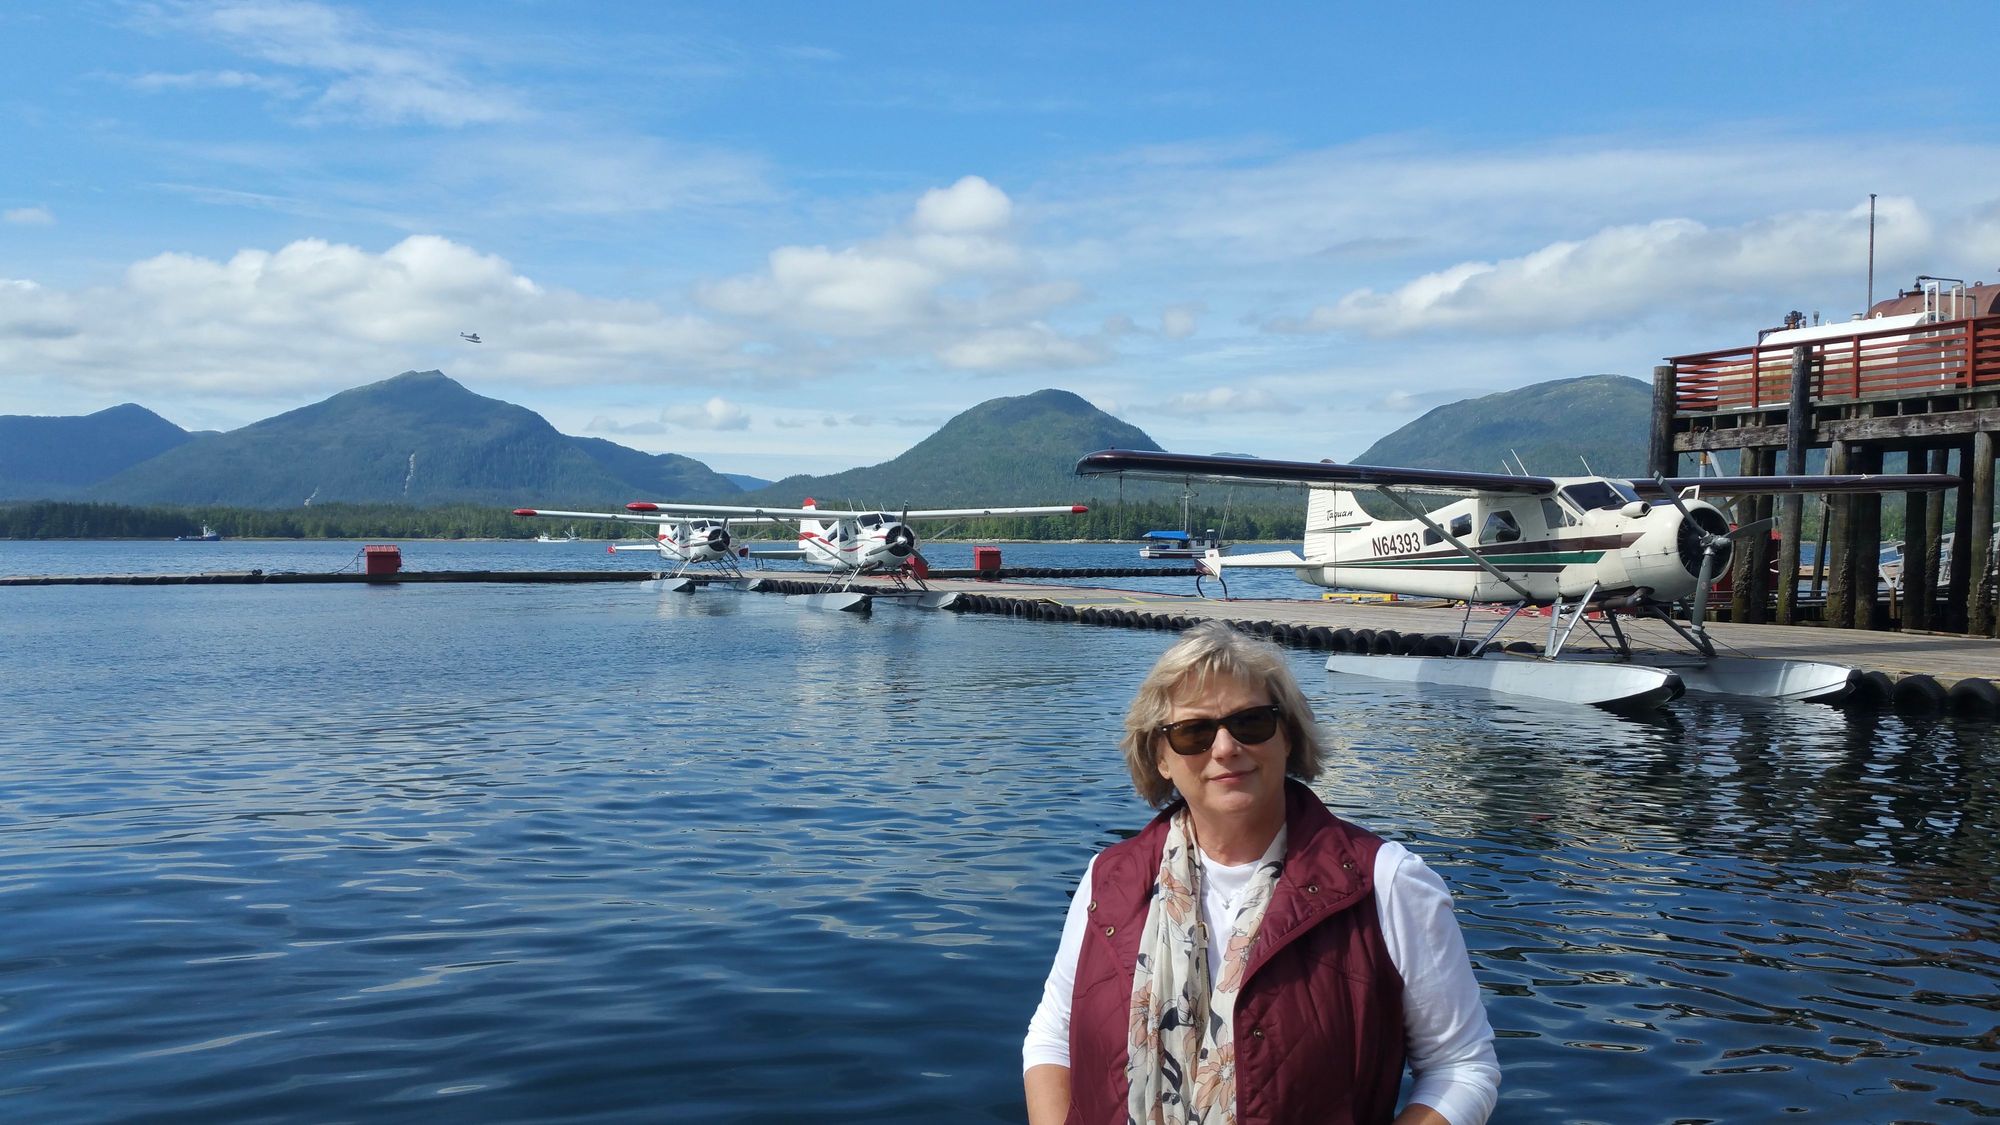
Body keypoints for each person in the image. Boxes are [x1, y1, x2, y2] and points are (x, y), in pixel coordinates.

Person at [1023, 622, 1499, 1125]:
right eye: (1193, 732)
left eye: (1251, 722)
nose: (1225, 747)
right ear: (1160, 757)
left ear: (1287, 735)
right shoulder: (1109, 880)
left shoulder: (1386, 883)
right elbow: (1054, 1036)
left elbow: (1461, 1066)